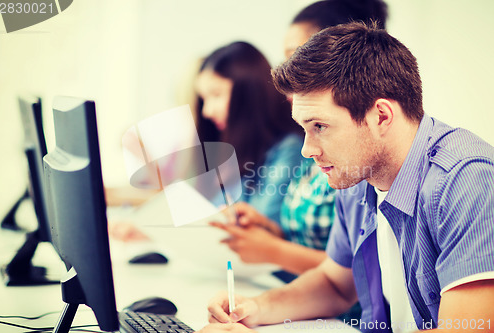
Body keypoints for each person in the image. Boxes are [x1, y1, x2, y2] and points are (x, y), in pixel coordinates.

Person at [200, 22, 494, 333]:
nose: (306, 150)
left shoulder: (467, 181)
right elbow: (334, 284)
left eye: (320, 127)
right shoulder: (355, 174)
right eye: (303, 129)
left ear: (381, 116)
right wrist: (255, 308)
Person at [211, 0, 388, 276]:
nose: (285, 70)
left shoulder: (361, 158)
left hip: (343, 317)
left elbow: (356, 275)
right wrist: (269, 230)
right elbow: (323, 250)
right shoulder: (314, 145)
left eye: (295, 57)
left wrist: (273, 250)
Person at [194, 41, 304, 223]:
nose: (207, 111)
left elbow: (258, 225)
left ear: (249, 94)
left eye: (216, 95)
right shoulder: (234, 148)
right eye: (204, 99)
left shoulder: (289, 148)